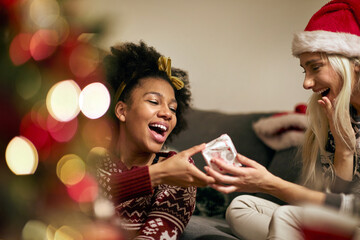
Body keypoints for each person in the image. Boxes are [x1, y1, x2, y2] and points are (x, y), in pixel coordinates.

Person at [205, 0, 360, 239]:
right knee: (242, 207)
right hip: (341, 224)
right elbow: (331, 206)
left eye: (315, 67)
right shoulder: (335, 116)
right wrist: (344, 151)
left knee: (286, 217)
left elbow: (351, 210)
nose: (306, 83)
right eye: (304, 70)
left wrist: (268, 183)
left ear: (353, 66)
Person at [94, 41, 214, 239]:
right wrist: (156, 175)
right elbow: (84, 196)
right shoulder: (90, 157)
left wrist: (162, 173)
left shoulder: (175, 170)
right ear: (122, 111)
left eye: (173, 108)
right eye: (153, 101)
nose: (167, 113)